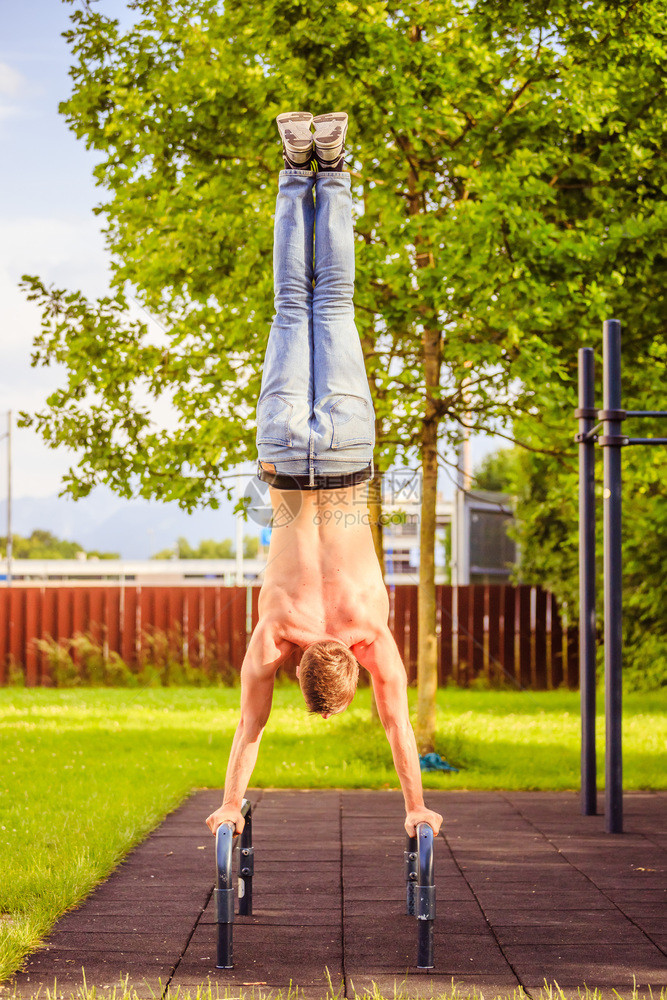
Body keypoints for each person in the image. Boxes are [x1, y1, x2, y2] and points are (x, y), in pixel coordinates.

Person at [206, 112, 443, 840]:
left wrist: (416, 807)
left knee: (331, 303)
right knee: (292, 305)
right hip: (282, 463)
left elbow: (399, 728)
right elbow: (247, 733)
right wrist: (226, 802)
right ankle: (294, 164)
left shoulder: (370, 633)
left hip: (345, 459)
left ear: (349, 676)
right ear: (299, 669)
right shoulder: (275, 636)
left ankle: (332, 165)